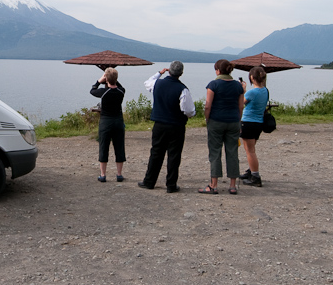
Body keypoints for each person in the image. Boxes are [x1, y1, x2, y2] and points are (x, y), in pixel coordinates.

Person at [138, 61, 195, 193]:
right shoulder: (183, 89)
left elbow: (148, 82)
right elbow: (189, 111)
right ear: (181, 73)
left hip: (159, 124)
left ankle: (149, 181)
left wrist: (159, 73)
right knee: (174, 155)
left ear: (169, 70)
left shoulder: (157, 84)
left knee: (156, 153)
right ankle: (171, 184)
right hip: (176, 126)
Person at [198, 59, 245, 196]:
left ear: (218, 70)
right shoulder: (238, 86)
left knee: (215, 152)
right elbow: (240, 106)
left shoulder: (213, 84)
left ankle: (214, 185)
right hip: (233, 121)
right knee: (232, 152)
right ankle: (232, 185)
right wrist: (238, 119)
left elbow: (208, 105)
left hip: (216, 121)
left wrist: (207, 119)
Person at [90, 67, 126, 182]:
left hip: (106, 122)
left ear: (106, 79)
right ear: (116, 79)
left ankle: (103, 175)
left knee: (104, 146)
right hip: (118, 121)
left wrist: (99, 80)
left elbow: (92, 90)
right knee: (119, 147)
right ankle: (119, 174)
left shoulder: (104, 92)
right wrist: (112, 78)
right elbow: (118, 85)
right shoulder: (121, 91)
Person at [239, 65, 269, 187]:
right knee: (251, 149)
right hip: (258, 123)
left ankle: (255, 176)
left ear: (251, 77)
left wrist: (243, 90)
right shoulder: (265, 90)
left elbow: (241, 103)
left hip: (248, 122)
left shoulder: (252, 92)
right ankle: (250, 171)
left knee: (250, 151)